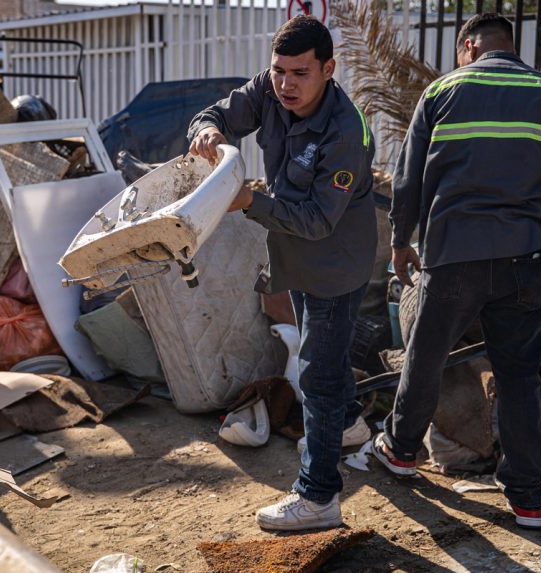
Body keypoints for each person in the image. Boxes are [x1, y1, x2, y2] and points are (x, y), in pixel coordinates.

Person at [188, 15, 377, 531]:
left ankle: (318, 497)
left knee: (316, 371)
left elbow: (317, 220)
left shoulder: (345, 133)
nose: (286, 85)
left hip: (336, 262)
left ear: (328, 69)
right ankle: (350, 424)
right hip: (294, 253)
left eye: (300, 73)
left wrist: (247, 199)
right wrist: (207, 130)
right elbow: (217, 113)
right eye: (278, 72)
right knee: (326, 358)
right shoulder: (269, 91)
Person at [372, 13, 541, 529]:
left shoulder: (443, 91)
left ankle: (402, 451)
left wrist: (400, 242)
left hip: (453, 257)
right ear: (510, 47)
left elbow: (407, 179)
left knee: (425, 357)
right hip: (527, 260)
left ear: (467, 45)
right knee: (518, 376)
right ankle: (528, 500)